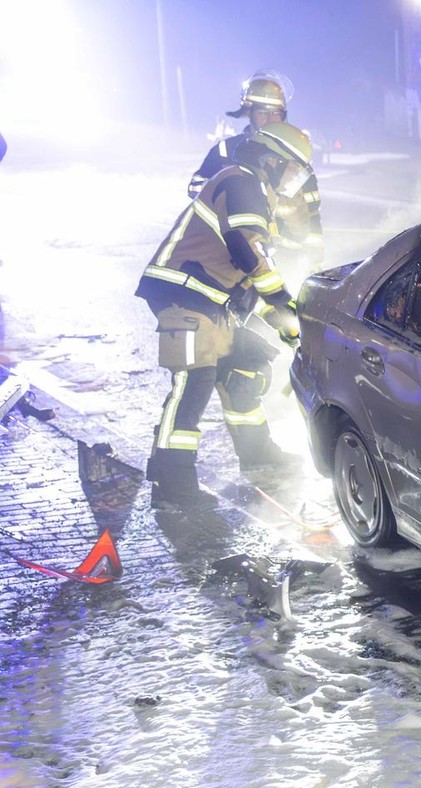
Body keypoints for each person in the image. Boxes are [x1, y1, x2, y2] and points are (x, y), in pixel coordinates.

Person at [140, 122, 312, 509]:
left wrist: (287, 323)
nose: (295, 181)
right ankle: (172, 484)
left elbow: (250, 276)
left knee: (247, 365)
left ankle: (257, 453)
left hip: (215, 304)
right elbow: (248, 250)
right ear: (272, 159)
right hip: (184, 295)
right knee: (193, 386)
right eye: (293, 169)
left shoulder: (257, 192)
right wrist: (283, 303)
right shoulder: (241, 182)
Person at [189, 72, 324, 286]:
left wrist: (316, 263)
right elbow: (197, 190)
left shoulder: (294, 157)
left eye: (276, 113)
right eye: (263, 112)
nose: (270, 119)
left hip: (284, 257)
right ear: (249, 113)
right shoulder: (226, 150)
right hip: (233, 253)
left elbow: (312, 218)